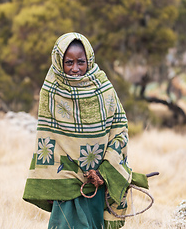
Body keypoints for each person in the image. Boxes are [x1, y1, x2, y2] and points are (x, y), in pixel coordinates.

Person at [23, 32, 148, 229]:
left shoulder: (103, 88)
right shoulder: (51, 89)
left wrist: (105, 169)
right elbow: (48, 137)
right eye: (69, 62)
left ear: (89, 60)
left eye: (80, 62)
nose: (75, 69)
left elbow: (119, 129)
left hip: (97, 179)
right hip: (64, 178)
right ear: (59, 62)